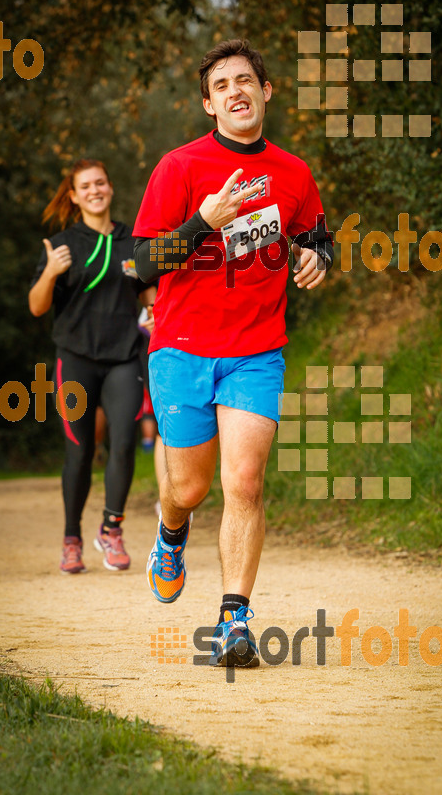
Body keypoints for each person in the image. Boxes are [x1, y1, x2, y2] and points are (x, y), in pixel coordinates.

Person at [133, 39, 333, 668]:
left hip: (255, 351)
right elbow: (138, 264)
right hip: (182, 350)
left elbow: (317, 236)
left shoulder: (294, 173)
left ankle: (234, 622)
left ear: (266, 91)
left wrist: (317, 256)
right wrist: (202, 221)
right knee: (189, 488)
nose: (235, 91)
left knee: (244, 481)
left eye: (245, 80)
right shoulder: (179, 167)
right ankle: (171, 532)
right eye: (221, 85)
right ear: (207, 104)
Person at [30, 159, 153, 574]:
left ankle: (112, 530)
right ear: (74, 195)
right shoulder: (62, 244)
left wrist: (154, 309)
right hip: (76, 360)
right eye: (86, 185)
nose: (95, 190)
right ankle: (71, 539)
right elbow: (36, 306)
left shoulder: (131, 242)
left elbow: (146, 291)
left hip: (123, 357)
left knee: (123, 443)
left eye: (101, 182)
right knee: (79, 453)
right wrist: (49, 273)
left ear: (110, 187)